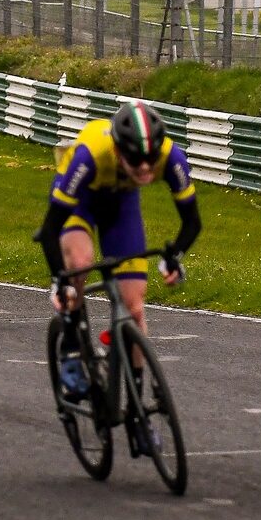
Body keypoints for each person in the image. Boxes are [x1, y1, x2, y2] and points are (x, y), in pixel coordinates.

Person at [36, 101, 201, 407]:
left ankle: (137, 405)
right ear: (117, 149)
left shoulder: (171, 156)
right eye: (135, 160)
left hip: (121, 205)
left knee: (135, 309)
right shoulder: (90, 155)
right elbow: (49, 230)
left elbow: (192, 221)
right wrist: (61, 281)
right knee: (80, 266)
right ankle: (71, 349)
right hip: (79, 202)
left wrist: (172, 256)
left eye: (150, 160)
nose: (144, 168)